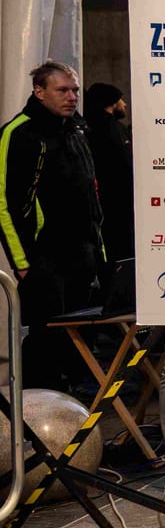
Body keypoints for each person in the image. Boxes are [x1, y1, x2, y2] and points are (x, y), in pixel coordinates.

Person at [2, 63, 104, 386]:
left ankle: (76, 410)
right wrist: (22, 264)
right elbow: (4, 202)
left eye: (75, 90)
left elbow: (90, 194)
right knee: (44, 347)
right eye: (62, 90)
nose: (72, 97)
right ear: (39, 92)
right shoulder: (20, 132)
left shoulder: (77, 129)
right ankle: (36, 413)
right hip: (45, 261)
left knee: (79, 349)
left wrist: (99, 250)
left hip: (84, 257)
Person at [83, 83, 133, 266]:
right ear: (111, 101)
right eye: (120, 99)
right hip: (114, 206)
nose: (124, 104)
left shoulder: (108, 127)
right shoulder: (107, 129)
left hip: (111, 205)